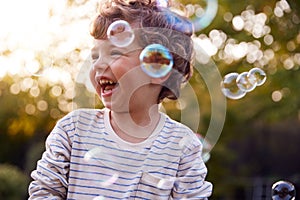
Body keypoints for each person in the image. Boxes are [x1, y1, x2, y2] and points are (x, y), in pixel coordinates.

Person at [28, 0, 213, 199]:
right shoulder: (73, 130)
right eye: (95, 56)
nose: (98, 65)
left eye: (115, 53)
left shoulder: (182, 146)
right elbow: (44, 191)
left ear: (159, 66)